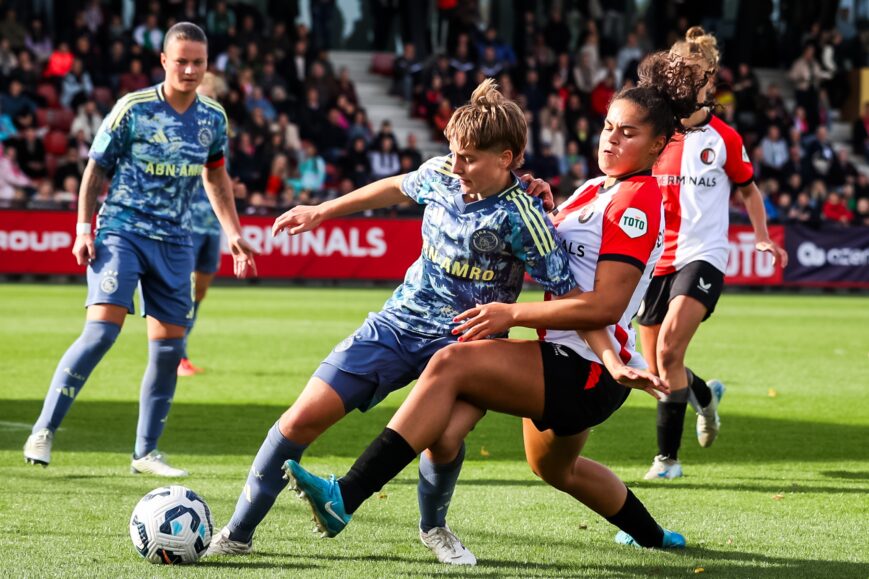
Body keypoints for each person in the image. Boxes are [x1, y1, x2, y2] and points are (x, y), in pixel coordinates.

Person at [283, 51, 707, 556]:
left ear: (659, 143)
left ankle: (345, 496)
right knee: (556, 468)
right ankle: (656, 538)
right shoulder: (598, 187)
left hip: (584, 368)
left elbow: (603, 306)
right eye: (609, 127)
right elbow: (562, 254)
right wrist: (545, 199)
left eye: (628, 133)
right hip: (577, 361)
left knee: (451, 363)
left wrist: (512, 314)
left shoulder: (637, 199)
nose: (611, 139)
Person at [206, 79, 577, 564]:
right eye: (454, 154)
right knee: (300, 418)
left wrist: (527, 329)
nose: (456, 166)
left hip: (466, 348)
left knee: (444, 440)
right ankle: (237, 533)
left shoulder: (523, 215)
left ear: (506, 158)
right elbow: (394, 187)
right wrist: (322, 210)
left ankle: (434, 527)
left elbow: (566, 290)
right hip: (398, 324)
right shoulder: (441, 174)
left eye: (469, 158)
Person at [22, 23, 257, 476]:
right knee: (101, 332)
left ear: (207, 66)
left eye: (198, 62)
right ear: (164, 62)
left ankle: (145, 453)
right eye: (181, 61)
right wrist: (83, 229)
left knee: (170, 349)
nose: (189, 69)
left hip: (175, 240)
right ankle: (44, 429)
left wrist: (233, 231)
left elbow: (216, 176)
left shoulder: (213, 118)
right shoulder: (132, 109)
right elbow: (95, 171)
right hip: (121, 231)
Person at [636, 27, 788, 481]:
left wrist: (761, 234)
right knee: (659, 369)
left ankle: (667, 460)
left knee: (667, 350)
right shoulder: (655, 135)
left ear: (707, 82)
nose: (690, 85)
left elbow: (750, 190)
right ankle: (705, 396)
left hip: (704, 254)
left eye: (697, 78)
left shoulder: (724, 138)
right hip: (655, 259)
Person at [178, 72, 226, 376]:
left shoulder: (218, 131)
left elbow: (218, 174)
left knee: (200, 292)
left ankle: (179, 349)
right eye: (208, 97)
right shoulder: (183, 128)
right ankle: (177, 354)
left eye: (216, 98)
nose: (212, 103)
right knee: (186, 288)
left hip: (212, 223)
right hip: (189, 222)